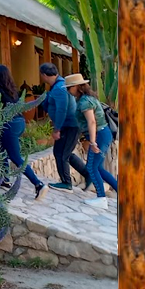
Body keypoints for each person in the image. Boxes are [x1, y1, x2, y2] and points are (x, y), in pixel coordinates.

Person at [0, 65, 47, 201]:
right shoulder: (12, 89)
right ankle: (5, 179)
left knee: (15, 157)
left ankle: (38, 184)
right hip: (19, 122)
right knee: (1, 150)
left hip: (9, 124)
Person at [65, 73, 118, 210]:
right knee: (98, 167)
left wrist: (93, 142)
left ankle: (101, 198)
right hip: (103, 134)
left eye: (69, 88)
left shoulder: (85, 102)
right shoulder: (87, 98)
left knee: (91, 167)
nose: (68, 91)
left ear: (77, 86)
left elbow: (92, 122)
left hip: (99, 135)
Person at [39, 63, 91, 192]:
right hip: (68, 125)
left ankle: (67, 183)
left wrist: (57, 129)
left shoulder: (59, 88)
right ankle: (89, 176)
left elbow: (62, 109)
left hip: (69, 125)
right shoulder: (59, 85)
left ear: (44, 75)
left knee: (61, 154)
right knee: (65, 153)